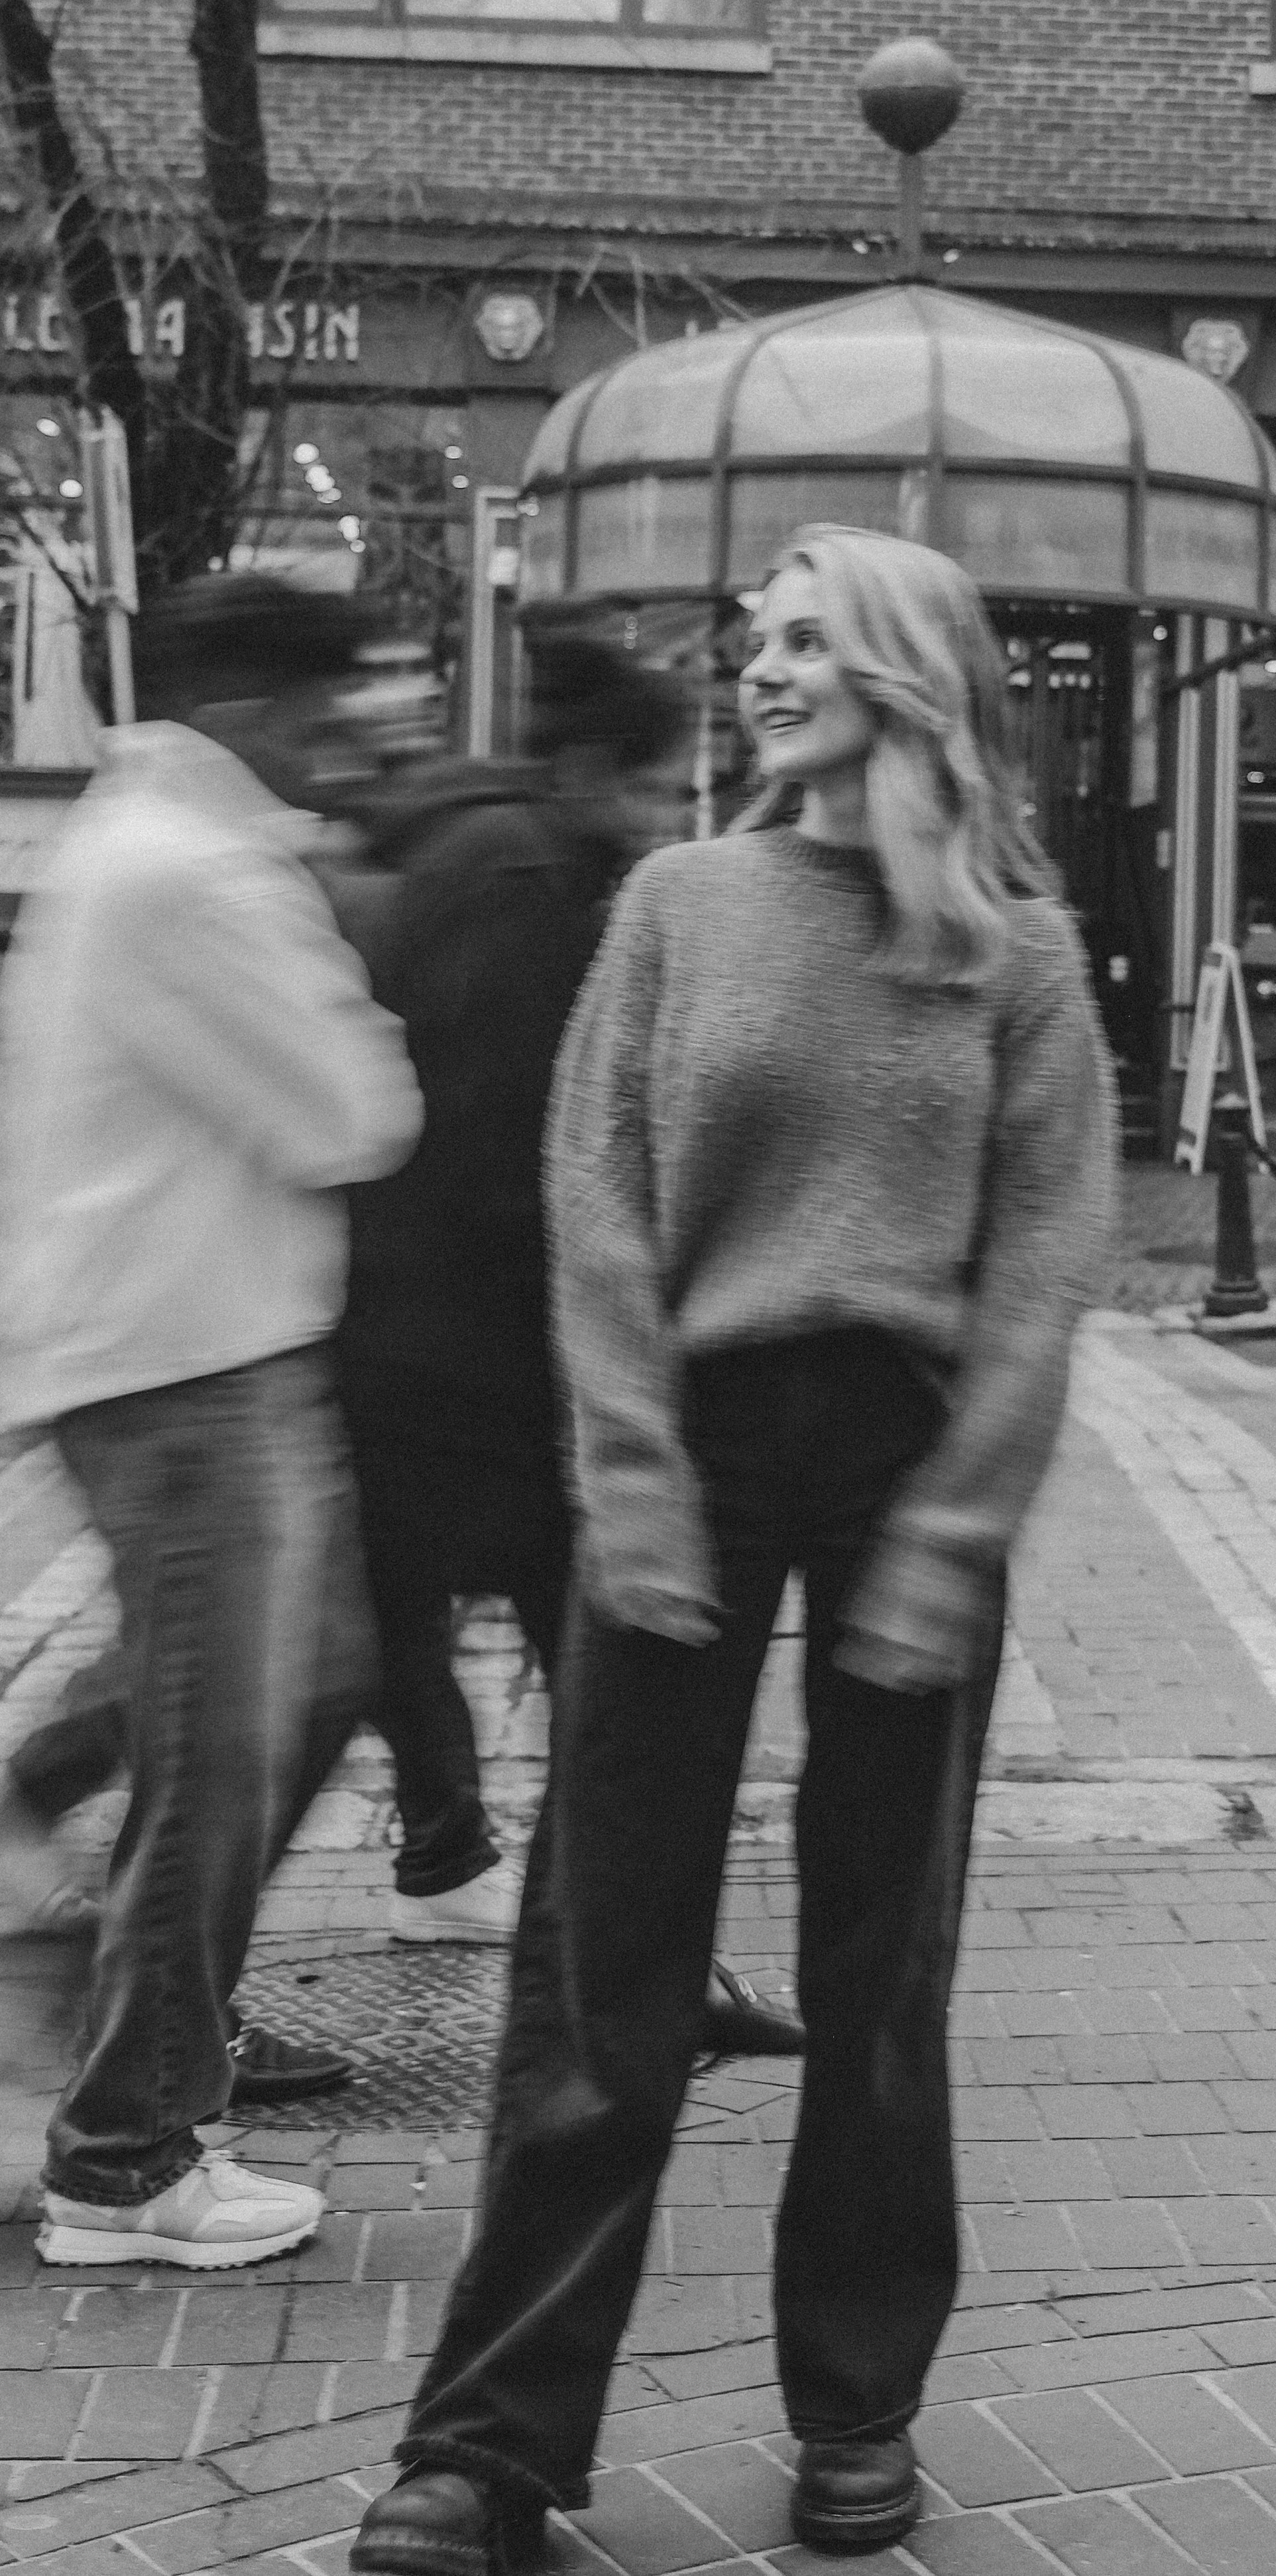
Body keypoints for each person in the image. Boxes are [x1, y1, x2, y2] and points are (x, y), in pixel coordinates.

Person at [351, 528, 1117, 2576]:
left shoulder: (1015, 953)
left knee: (881, 1973)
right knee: (604, 1966)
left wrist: (955, 1524)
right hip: (684, 1437)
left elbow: (1043, 1259)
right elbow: (591, 1198)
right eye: (754, 639)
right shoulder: (679, 904)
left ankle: (858, 2407)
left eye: (805, 637)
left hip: (904, 1450)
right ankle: (489, 2444)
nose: (762, 668)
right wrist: (625, 1470)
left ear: (907, 668)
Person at [0, 575, 424, 2268]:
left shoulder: (142, 838)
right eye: (334, 702)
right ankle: (125, 2159)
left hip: (177, 1357)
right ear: (252, 708)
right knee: (217, 1763)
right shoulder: (197, 869)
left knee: (281, 1691)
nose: (356, 732)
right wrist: (335, 976)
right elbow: (355, 1112)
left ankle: (34, 1846)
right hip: (189, 1372)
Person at [332, 643, 804, 2055]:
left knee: (378, 1665)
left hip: (424, 1361)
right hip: (484, 1376)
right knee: (618, 1693)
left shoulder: (492, 851)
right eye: (660, 780)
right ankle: (644, 1969)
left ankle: (499, 1895)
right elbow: (529, 1150)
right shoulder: (534, 886)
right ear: (600, 767)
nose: (670, 811)